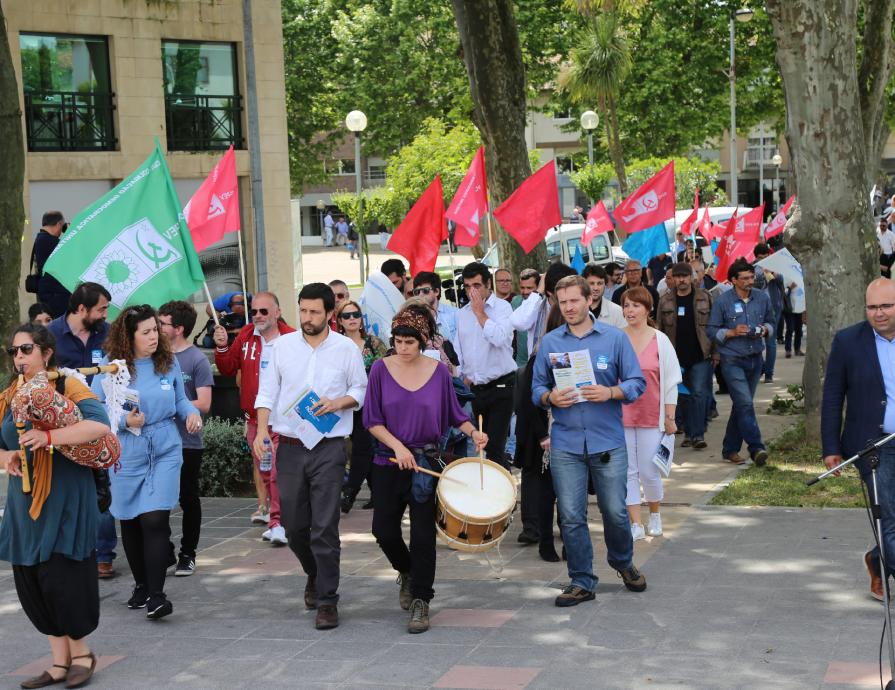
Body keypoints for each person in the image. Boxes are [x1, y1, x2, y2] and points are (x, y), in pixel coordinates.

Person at [0, 324, 111, 688]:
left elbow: (99, 427)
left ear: (46, 352)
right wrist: (7, 456)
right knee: (33, 579)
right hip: (23, 501)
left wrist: (48, 437)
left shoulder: (67, 384)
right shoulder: (8, 395)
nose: (19, 357)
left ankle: (82, 654)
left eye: (26, 349)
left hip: (65, 495)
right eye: (13, 351)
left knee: (62, 576)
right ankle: (59, 662)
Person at [364, 306, 486, 633]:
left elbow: (454, 414)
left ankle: (422, 599)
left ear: (423, 342)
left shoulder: (438, 372)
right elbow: (372, 421)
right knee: (383, 530)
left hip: (426, 463)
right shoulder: (379, 369)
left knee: (422, 536)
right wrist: (398, 447)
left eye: (409, 342)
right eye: (398, 341)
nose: (402, 349)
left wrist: (473, 431)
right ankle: (406, 571)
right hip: (388, 461)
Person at [253, 283, 367, 631]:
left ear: (330, 313)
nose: (307, 318)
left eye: (315, 312)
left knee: (325, 526)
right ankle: (314, 574)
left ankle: (328, 600)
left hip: (329, 447)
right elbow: (266, 391)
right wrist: (261, 432)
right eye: (303, 310)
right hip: (288, 446)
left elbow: (359, 389)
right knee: (295, 525)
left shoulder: (346, 348)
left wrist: (337, 403)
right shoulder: (282, 347)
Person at [533, 275, 647, 607]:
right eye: (562, 302)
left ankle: (623, 562)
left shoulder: (614, 339)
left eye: (574, 301)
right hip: (566, 442)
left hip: (607, 441)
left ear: (589, 299)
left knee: (614, 512)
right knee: (570, 514)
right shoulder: (551, 343)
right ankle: (581, 580)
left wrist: (611, 391)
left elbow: (637, 382)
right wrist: (549, 397)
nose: (568, 307)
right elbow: (535, 389)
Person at [91, 305, 202, 620]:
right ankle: (141, 585)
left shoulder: (168, 362)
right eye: (147, 332)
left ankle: (157, 595)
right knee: (130, 519)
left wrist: (191, 414)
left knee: (154, 520)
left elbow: (180, 400)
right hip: (127, 451)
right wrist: (124, 419)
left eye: (156, 329)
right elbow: (95, 410)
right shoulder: (112, 371)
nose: (156, 336)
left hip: (165, 446)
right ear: (129, 336)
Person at [822, 278, 895, 601]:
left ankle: (878, 562)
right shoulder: (849, 341)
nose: (879, 313)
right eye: (872, 307)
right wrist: (831, 447)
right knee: (890, 516)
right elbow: (833, 396)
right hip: (873, 446)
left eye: (886, 306)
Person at [47, 282, 117, 580]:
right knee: (67, 488)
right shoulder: (50, 335)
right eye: (101, 308)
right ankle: (69, 550)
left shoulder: (109, 332)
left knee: (101, 489)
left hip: (99, 421)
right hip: (62, 426)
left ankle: (103, 554)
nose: (105, 314)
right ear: (80, 309)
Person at [214, 292, 294, 544]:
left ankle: (278, 522)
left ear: (277, 313)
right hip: (254, 421)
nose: (257, 316)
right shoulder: (247, 335)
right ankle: (281, 519)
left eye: (264, 311)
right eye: (254, 311)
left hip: (283, 420)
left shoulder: (292, 338)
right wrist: (222, 345)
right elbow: (227, 368)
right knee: (267, 472)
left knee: (279, 472)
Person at [158, 301, 214, 576]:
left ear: (178, 329)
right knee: (157, 499)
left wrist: (172, 404)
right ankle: (163, 549)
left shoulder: (196, 359)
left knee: (187, 498)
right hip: (157, 441)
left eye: (163, 323)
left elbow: (204, 403)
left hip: (187, 442)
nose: (157, 327)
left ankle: (188, 553)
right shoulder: (153, 357)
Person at [621, 288, 681, 540]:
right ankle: (635, 523)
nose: (630, 311)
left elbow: (670, 382)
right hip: (621, 416)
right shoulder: (616, 338)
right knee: (627, 471)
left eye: (635, 305)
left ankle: (655, 513)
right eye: (626, 306)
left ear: (647, 309)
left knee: (648, 470)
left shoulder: (660, 340)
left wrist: (669, 417)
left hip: (651, 417)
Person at [706, 258, 775, 466]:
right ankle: (756, 448)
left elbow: (772, 322)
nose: (749, 281)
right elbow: (710, 330)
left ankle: (730, 449)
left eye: (751, 277)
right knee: (745, 403)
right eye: (744, 278)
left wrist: (764, 330)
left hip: (755, 359)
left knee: (741, 406)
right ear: (734, 280)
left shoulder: (762, 298)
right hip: (732, 360)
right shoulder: (722, 301)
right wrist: (731, 332)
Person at [454, 262, 516, 467]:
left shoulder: (503, 308)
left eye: (477, 285)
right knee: (479, 445)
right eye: (467, 286)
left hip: (501, 385)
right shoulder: (462, 313)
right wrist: (462, 376)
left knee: (496, 448)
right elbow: (460, 349)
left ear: (489, 284)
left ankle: (505, 496)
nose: (472, 291)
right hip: (476, 389)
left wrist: (480, 312)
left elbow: (499, 338)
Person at [337, 299, 387, 513]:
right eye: (346, 316)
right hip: (342, 402)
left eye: (355, 315)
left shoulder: (373, 343)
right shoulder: (335, 344)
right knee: (363, 449)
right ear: (339, 320)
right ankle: (377, 493)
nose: (352, 319)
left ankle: (350, 492)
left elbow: (385, 371)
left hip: (370, 403)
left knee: (363, 446)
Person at [657, 263, 714, 449]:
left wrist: (717, 353)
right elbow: (659, 328)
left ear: (692, 277)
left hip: (700, 355)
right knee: (683, 397)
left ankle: (697, 435)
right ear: (672, 278)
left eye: (685, 276)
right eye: (677, 276)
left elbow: (714, 327)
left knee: (699, 394)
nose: (681, 280)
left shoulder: (705, 297)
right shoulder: (665, 301)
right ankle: (689, 433)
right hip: (675, 357)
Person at [752, 243, 784, 383]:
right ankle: (762, 367)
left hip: (774, 308)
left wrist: (774, 274)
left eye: (766, 256)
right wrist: (761, 274)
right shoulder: (752, 268)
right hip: (757, 308)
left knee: (771, 342)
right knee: (756, 339)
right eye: (761, 257)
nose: (763, 259)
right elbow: (752, 285)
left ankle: (769, 374)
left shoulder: (774, 265)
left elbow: (781, 281)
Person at [32, 211, 71, 318]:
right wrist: (70, 232)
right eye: (62, 226)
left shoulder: (41, 238)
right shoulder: (49, 241)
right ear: (59, 224)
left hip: (50, 292)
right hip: (55, 295)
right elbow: (71, 253)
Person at [411, 271, 458, 345]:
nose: (420, 295)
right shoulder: (412, 318)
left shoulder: (455, 314)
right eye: (417, 292)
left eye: (425, 291)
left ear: (436, 291)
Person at [511, 268, 540, 368]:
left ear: (538, 287)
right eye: (522, 287)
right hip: (520, 362)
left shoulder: (543, 302)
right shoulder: (516, 301)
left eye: (529, 288)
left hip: (537, 359)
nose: (525, 291)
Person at [583, 264, 626, 329]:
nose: (596, 288)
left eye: (599, 283)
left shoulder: (617, 311)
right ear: (584, 284)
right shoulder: (576, 310)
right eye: (591, 283)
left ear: (605, 285)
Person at [783, 279, 805, 358]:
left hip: (799, 308)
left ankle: (797, 349)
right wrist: (789, 287)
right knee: (790, 329)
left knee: (799, 330)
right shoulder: (786, 278)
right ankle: (788, 350)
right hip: (789, 309)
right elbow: (783, 293)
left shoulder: (801, 278)